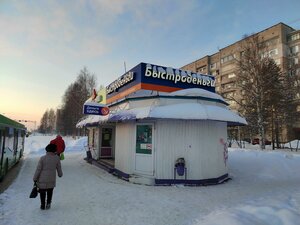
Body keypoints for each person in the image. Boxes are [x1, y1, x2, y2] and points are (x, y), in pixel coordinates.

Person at [33, 143, 63, 210]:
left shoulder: (42, 158)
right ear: (54, 150)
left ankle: (42, 205)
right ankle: (48, 203)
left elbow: (38, 169)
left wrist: (35, 178)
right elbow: (59, 168)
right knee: (50, 191)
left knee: (42, 192)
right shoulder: (57, 158)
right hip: (51, 179)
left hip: (42, 179)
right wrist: (60, 174)